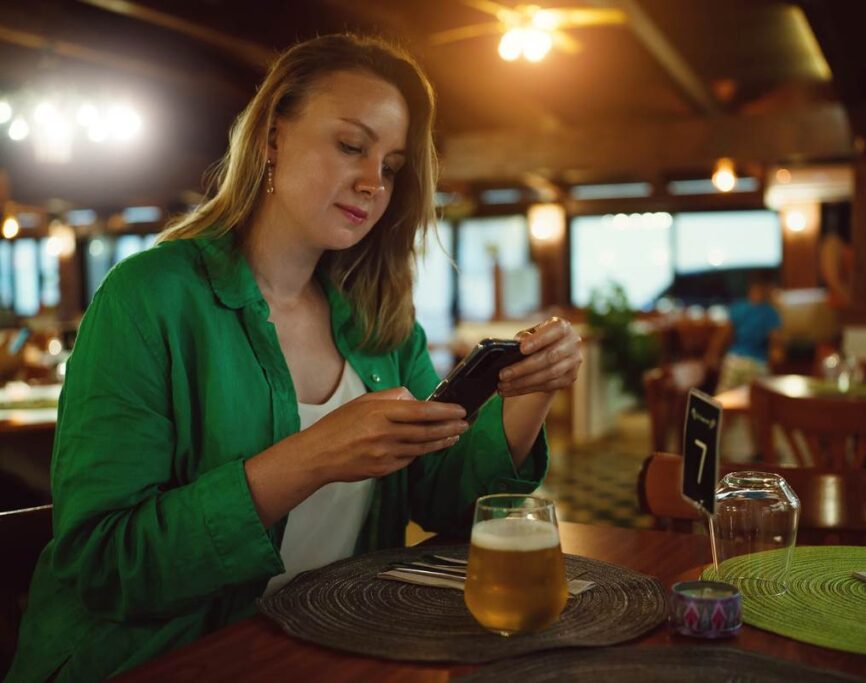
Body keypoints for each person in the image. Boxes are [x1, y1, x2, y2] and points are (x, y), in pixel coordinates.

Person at [7, 33, 582, 682]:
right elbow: (105, 565)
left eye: (391, 167)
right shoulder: (148, 297)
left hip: (330, 652)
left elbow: (451, 505)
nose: (372, 182)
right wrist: (307, 459)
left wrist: (532, 390)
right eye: (350, 146)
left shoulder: (380, 324)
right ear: (272, 139)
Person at [704, 271, 781, 393]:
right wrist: (775, 361)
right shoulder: (771, 313)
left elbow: (722, 335)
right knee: (754, 400)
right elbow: (775, 344)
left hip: (734, 360)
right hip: (757, 364)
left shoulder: (738, 308)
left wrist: (712, 355)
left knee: (723, 397)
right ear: (768, 289)